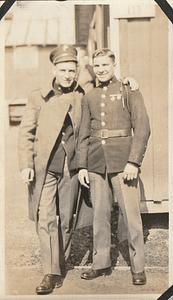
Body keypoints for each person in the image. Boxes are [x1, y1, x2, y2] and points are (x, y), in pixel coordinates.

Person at [77, 48, 150, 285]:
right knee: (99, 214)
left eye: (105, 65)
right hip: (97, 162)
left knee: (131, 217)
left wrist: (134, 161)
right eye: (97, 66)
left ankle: (138, 267)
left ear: (114, 64)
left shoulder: (129, 90)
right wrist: (82, 166)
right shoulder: (89, 96)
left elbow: (142, 128)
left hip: (123, 162)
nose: (101, 70)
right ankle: (101, 263)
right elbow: (83, 134)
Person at [18, 44, 86, 295]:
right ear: (54, 69)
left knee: (66, 219)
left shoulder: (82, 94)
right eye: (63, 69)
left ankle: (60, 262)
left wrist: (129, 81)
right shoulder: (39, 96)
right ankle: (50, 271)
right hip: (45, 167)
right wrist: (26, 165)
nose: (68, 74)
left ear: (77, 70)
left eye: (72, 69)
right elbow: (26, 133)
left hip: (71, 167)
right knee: (45, 218)